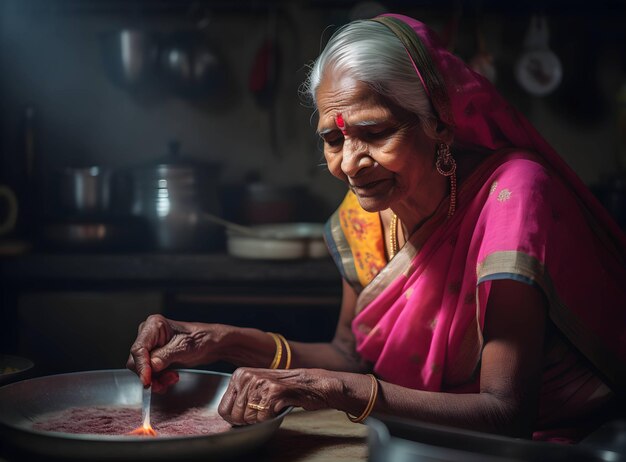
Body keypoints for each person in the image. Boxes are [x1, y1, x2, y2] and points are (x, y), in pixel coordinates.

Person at [127, 13, 626, 443]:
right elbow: (349, 355)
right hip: (419, 441)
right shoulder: (365, 212)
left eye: (376, 132)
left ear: (440, 125)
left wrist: (334, 390)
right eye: (332, 139)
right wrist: (221, 340)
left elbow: (506, 413)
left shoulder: (513, 196)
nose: (351, 163)